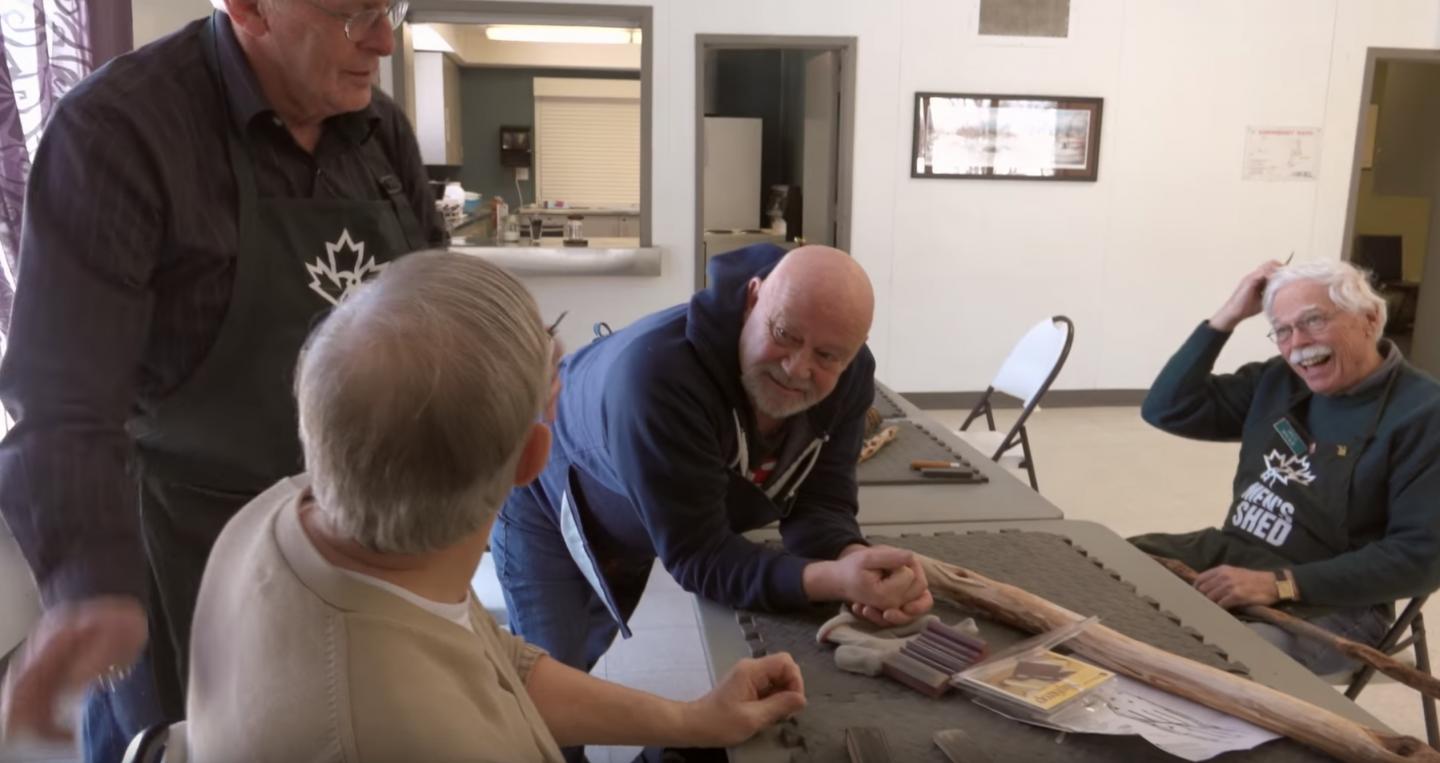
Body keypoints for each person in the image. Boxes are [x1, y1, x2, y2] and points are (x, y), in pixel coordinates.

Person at [0, 1, 444, 757]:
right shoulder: (120, 133)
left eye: (392, 5)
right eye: (353, 13)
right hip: (187, 570)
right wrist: (91, 589)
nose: (383, 37)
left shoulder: (379, 130)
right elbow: (66, 403)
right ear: (246, 7)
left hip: (354, 542)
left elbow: (429, 300)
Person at [186, 251, 806, 761]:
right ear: (534, 457)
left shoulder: (271, 519)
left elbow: (498, 667)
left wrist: (691, 720)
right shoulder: (436, 740)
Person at [492, 244, 933, 701]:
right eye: (784, 333)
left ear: (852, 353)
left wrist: (851, 559)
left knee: (583, 659)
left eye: (827, 356)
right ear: (753, 298)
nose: (797, 368)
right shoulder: (658, 379)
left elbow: (819, 503)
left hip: (634, 509)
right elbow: (701, 557)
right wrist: (833, 581)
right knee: (553, 690)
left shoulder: (852, 376)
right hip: (548, 498)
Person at [1130, 259, 1440, 674]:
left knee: (1217, 668)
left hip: (1335, 600)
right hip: (1234, 555)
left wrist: (1280, 583)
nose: (1298, 345)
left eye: (1312, 321)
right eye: (1282, 330)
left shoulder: (1423, 414)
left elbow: (1421, 558)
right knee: (1094, 567)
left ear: (1369, 319)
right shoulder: (1279, 379)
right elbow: (1168, 409)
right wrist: (1227, 317)